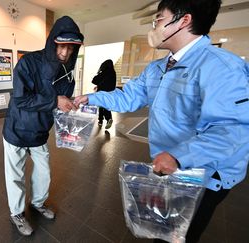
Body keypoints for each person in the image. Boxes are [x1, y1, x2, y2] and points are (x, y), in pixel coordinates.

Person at [74, 0, 249, 242]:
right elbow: (128, 97)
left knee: (179, 235)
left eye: (159, 19)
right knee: (163, 227)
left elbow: (232, 131)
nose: (154, 25)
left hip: (203, 175)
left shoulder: (222, 68)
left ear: (184, 20)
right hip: (167, 164)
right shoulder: (157, 68)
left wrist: (180, 157)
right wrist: (91, 98)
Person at [3, 16, 84, 236]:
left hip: (40, 131)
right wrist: (56, 101)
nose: (65, 53)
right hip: (17, 130)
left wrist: (70, 105)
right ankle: (17, 213)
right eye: (62, 46)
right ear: (52, 42)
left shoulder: (68, 71)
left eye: (70, 48)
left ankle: (38, 203)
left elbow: (61, 101)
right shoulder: (28, 63)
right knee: (15, 176)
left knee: (43, 173)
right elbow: (21, 99)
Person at [91, 59, 116, 129]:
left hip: (102, 93)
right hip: (110, 93)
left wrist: (99, 73)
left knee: (102, 106)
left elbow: (94, 80)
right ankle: (105, 119)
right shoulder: (113, 72)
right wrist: (99, 86)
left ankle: (103, 120)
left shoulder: (105, 72)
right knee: (105, 106)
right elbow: (107, 82)